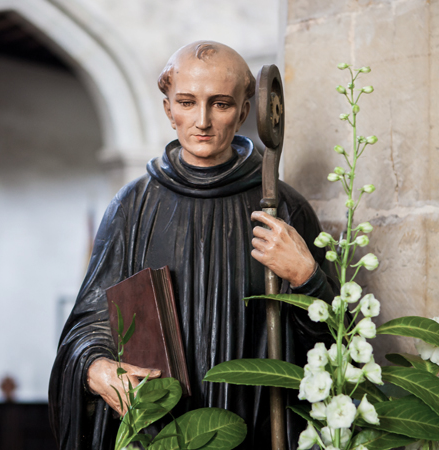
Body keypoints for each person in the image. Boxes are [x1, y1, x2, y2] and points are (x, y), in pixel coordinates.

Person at [48, 41, 338, 449]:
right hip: (159, 431)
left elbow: (336, 348)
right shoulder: (132, 206)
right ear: (168, 109)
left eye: (220, 104)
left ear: (243, 110)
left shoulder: (284, 208)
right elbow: (89, 325)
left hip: (254, 424)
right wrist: (96, 368)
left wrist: (308, 280)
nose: (201, 121)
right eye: (186, 102)